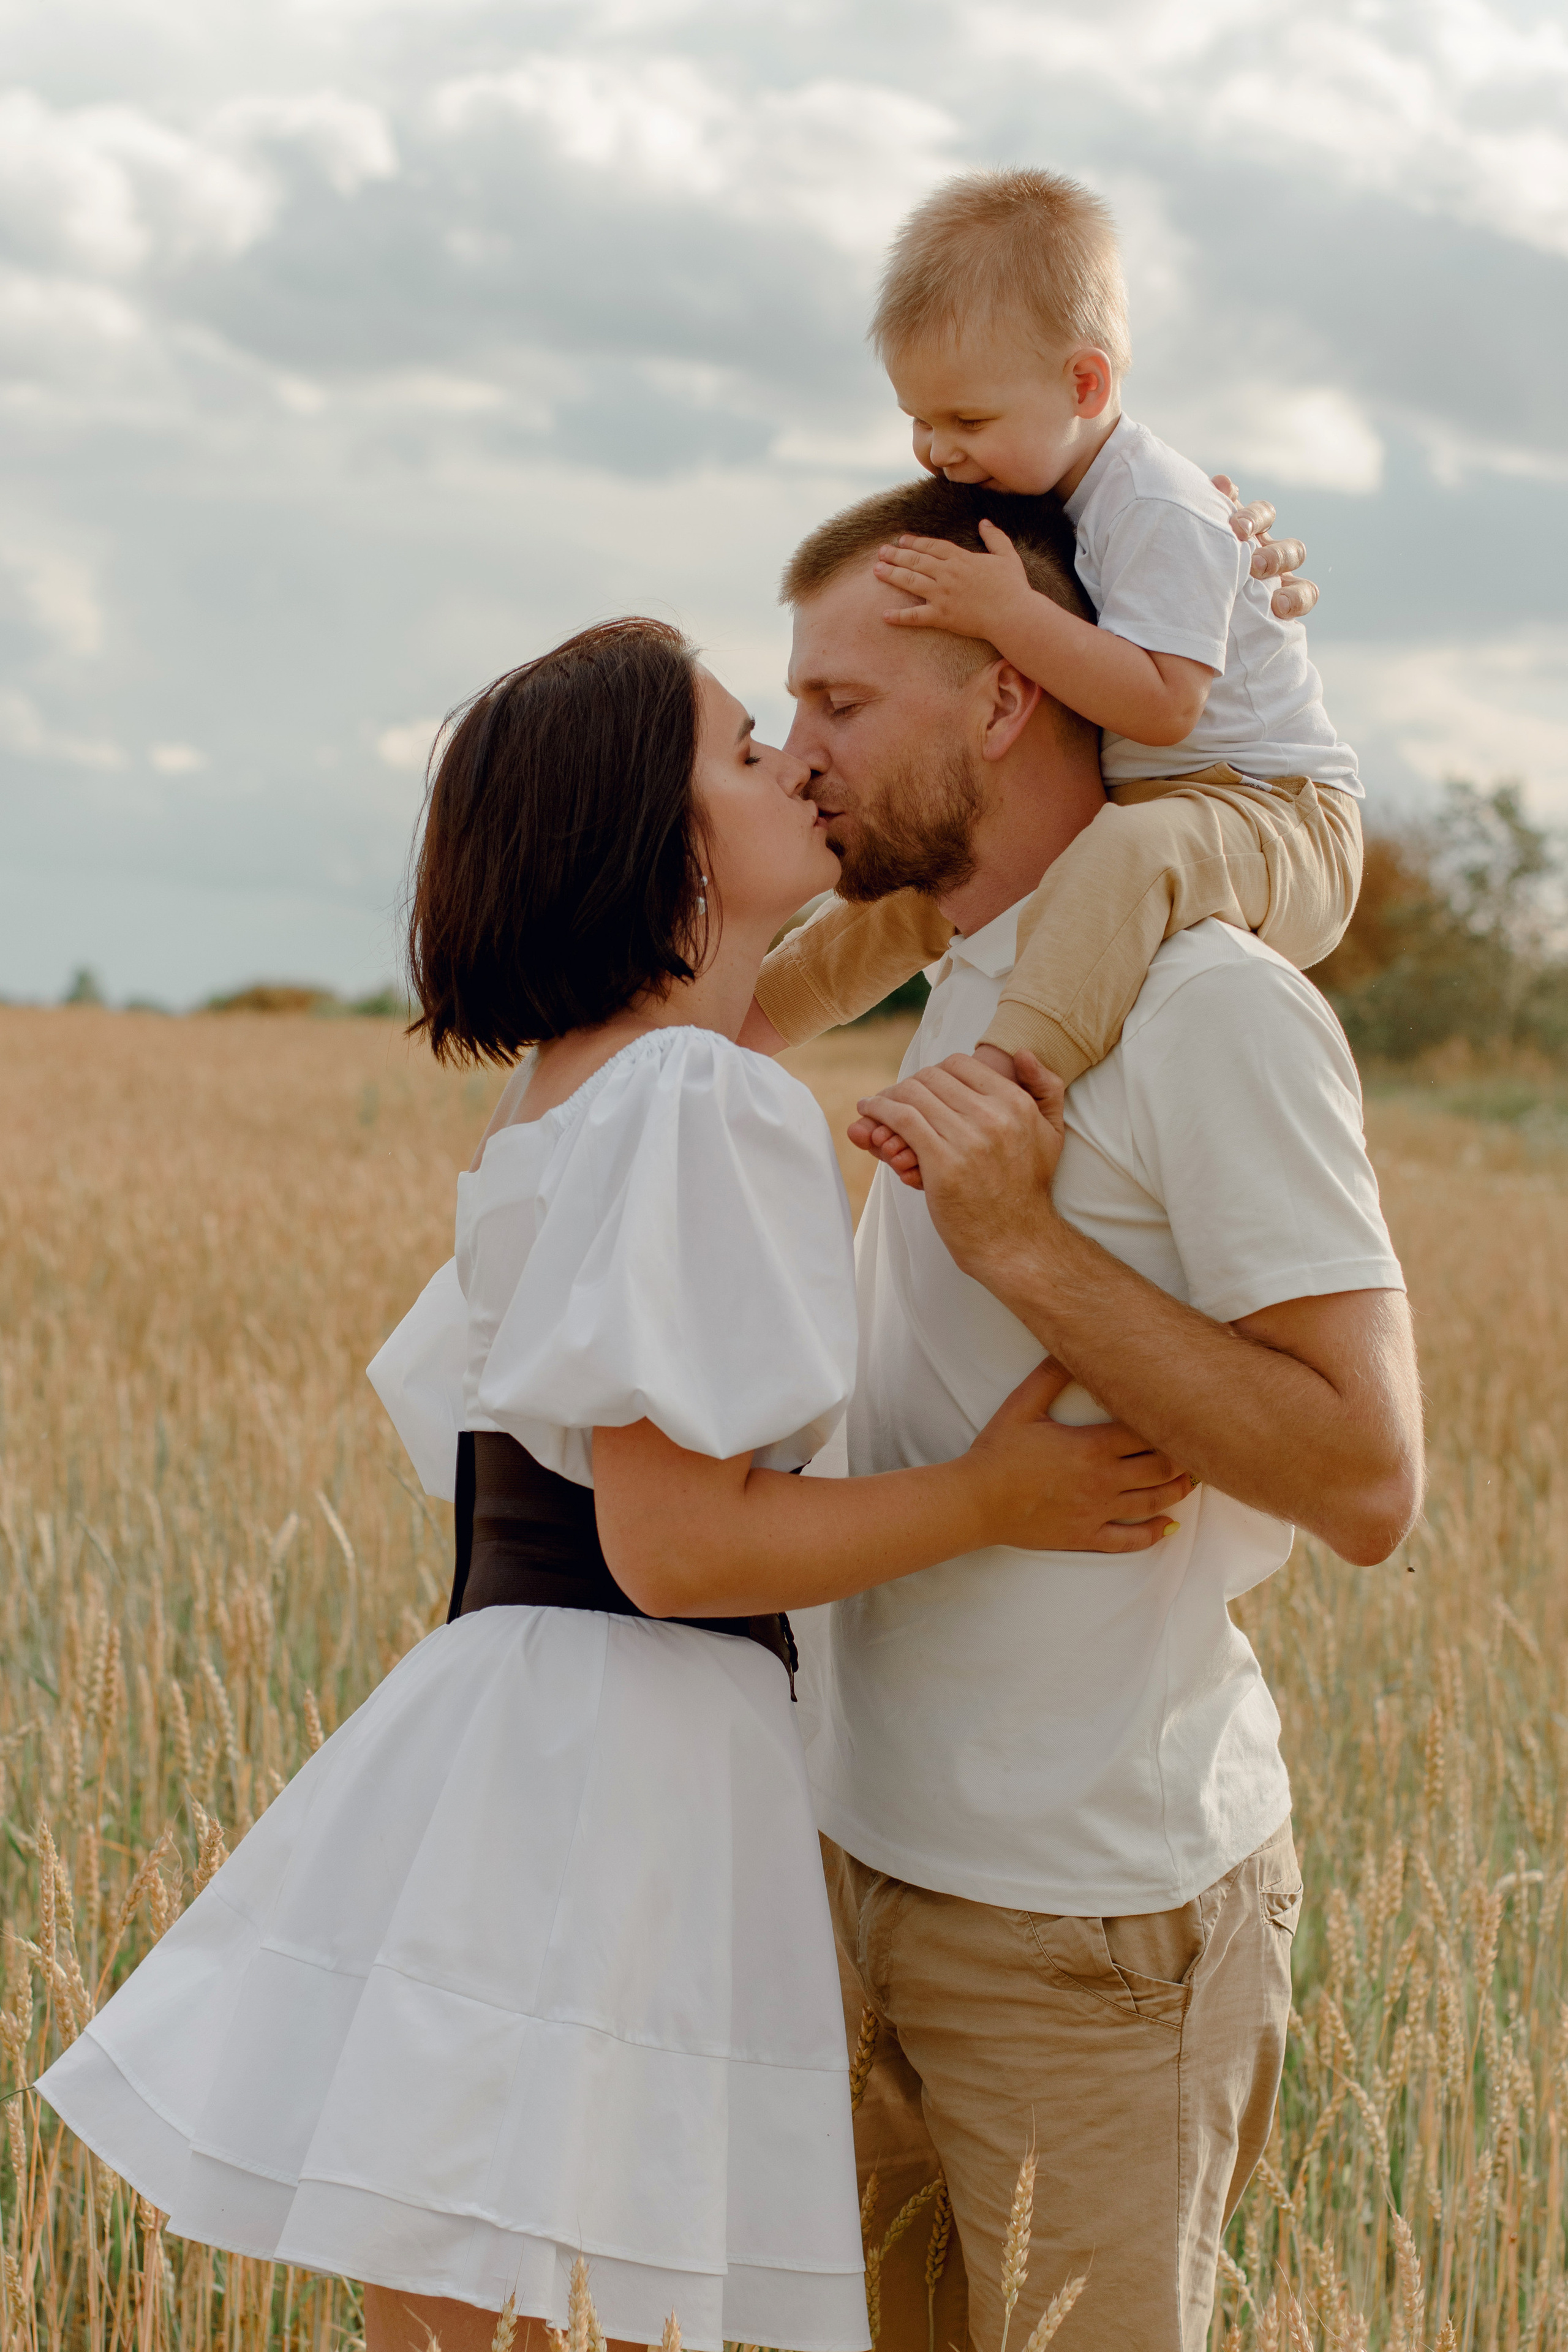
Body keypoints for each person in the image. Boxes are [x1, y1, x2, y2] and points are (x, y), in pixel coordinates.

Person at [36, 619, 1193, 2352]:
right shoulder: (685, 1102)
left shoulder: (567, 1098)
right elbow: (670, 1544)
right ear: (663, 854)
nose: (797, 759)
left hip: (524, 1742)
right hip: (624, 1775)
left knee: (468, 2307)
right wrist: (993, 1497)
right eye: (744, 748)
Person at [741, 488, 1424, 2352]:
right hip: (856, 1873)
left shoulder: (1210, 1007)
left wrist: (1024, 1247)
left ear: (1007, 701)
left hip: (1089, 1934)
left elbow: (1368, 1478)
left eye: (838, 705)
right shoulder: (958, 966)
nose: (799, 759)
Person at [755, 167, 1362, 1095]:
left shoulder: (1162, 505)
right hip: (1157, 805)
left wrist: (1007, 611)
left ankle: (1007, 1076)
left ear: (1086, 382)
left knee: (1129, 856)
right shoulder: (1058, 498)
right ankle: (734, 1025)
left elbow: (1164, 708)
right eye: (918, 421)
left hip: (1277, 811)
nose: (937, 451)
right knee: (921, 889)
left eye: (967, 418)